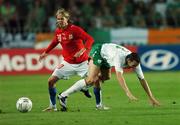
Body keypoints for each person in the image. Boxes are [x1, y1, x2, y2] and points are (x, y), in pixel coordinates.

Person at [58, 43, 160, 111]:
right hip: (99, 51)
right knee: (91, 79)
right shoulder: (119, 57)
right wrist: (128, 92)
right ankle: (63, 95)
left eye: (135, 66)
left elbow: (142, 79)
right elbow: (119, 76)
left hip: (107, 58)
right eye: (132, 66)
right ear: (128, 61)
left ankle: (91, 96)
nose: (133, 68)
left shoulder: (135, 61)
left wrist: (151, 97)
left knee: (105, 78)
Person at [39, 8, 99, 111]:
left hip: (83, 62)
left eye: (62, 19)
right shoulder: (58, 31)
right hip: (67, 63)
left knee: (96, 80)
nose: (59, 21)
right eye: (58, 19)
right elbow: (55, 41)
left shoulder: (75, 29)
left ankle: (98, 103)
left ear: (67, 19)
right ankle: (52, 106)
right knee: (50, 81)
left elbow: (90, 39)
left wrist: (83, 50)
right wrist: (46, 52)